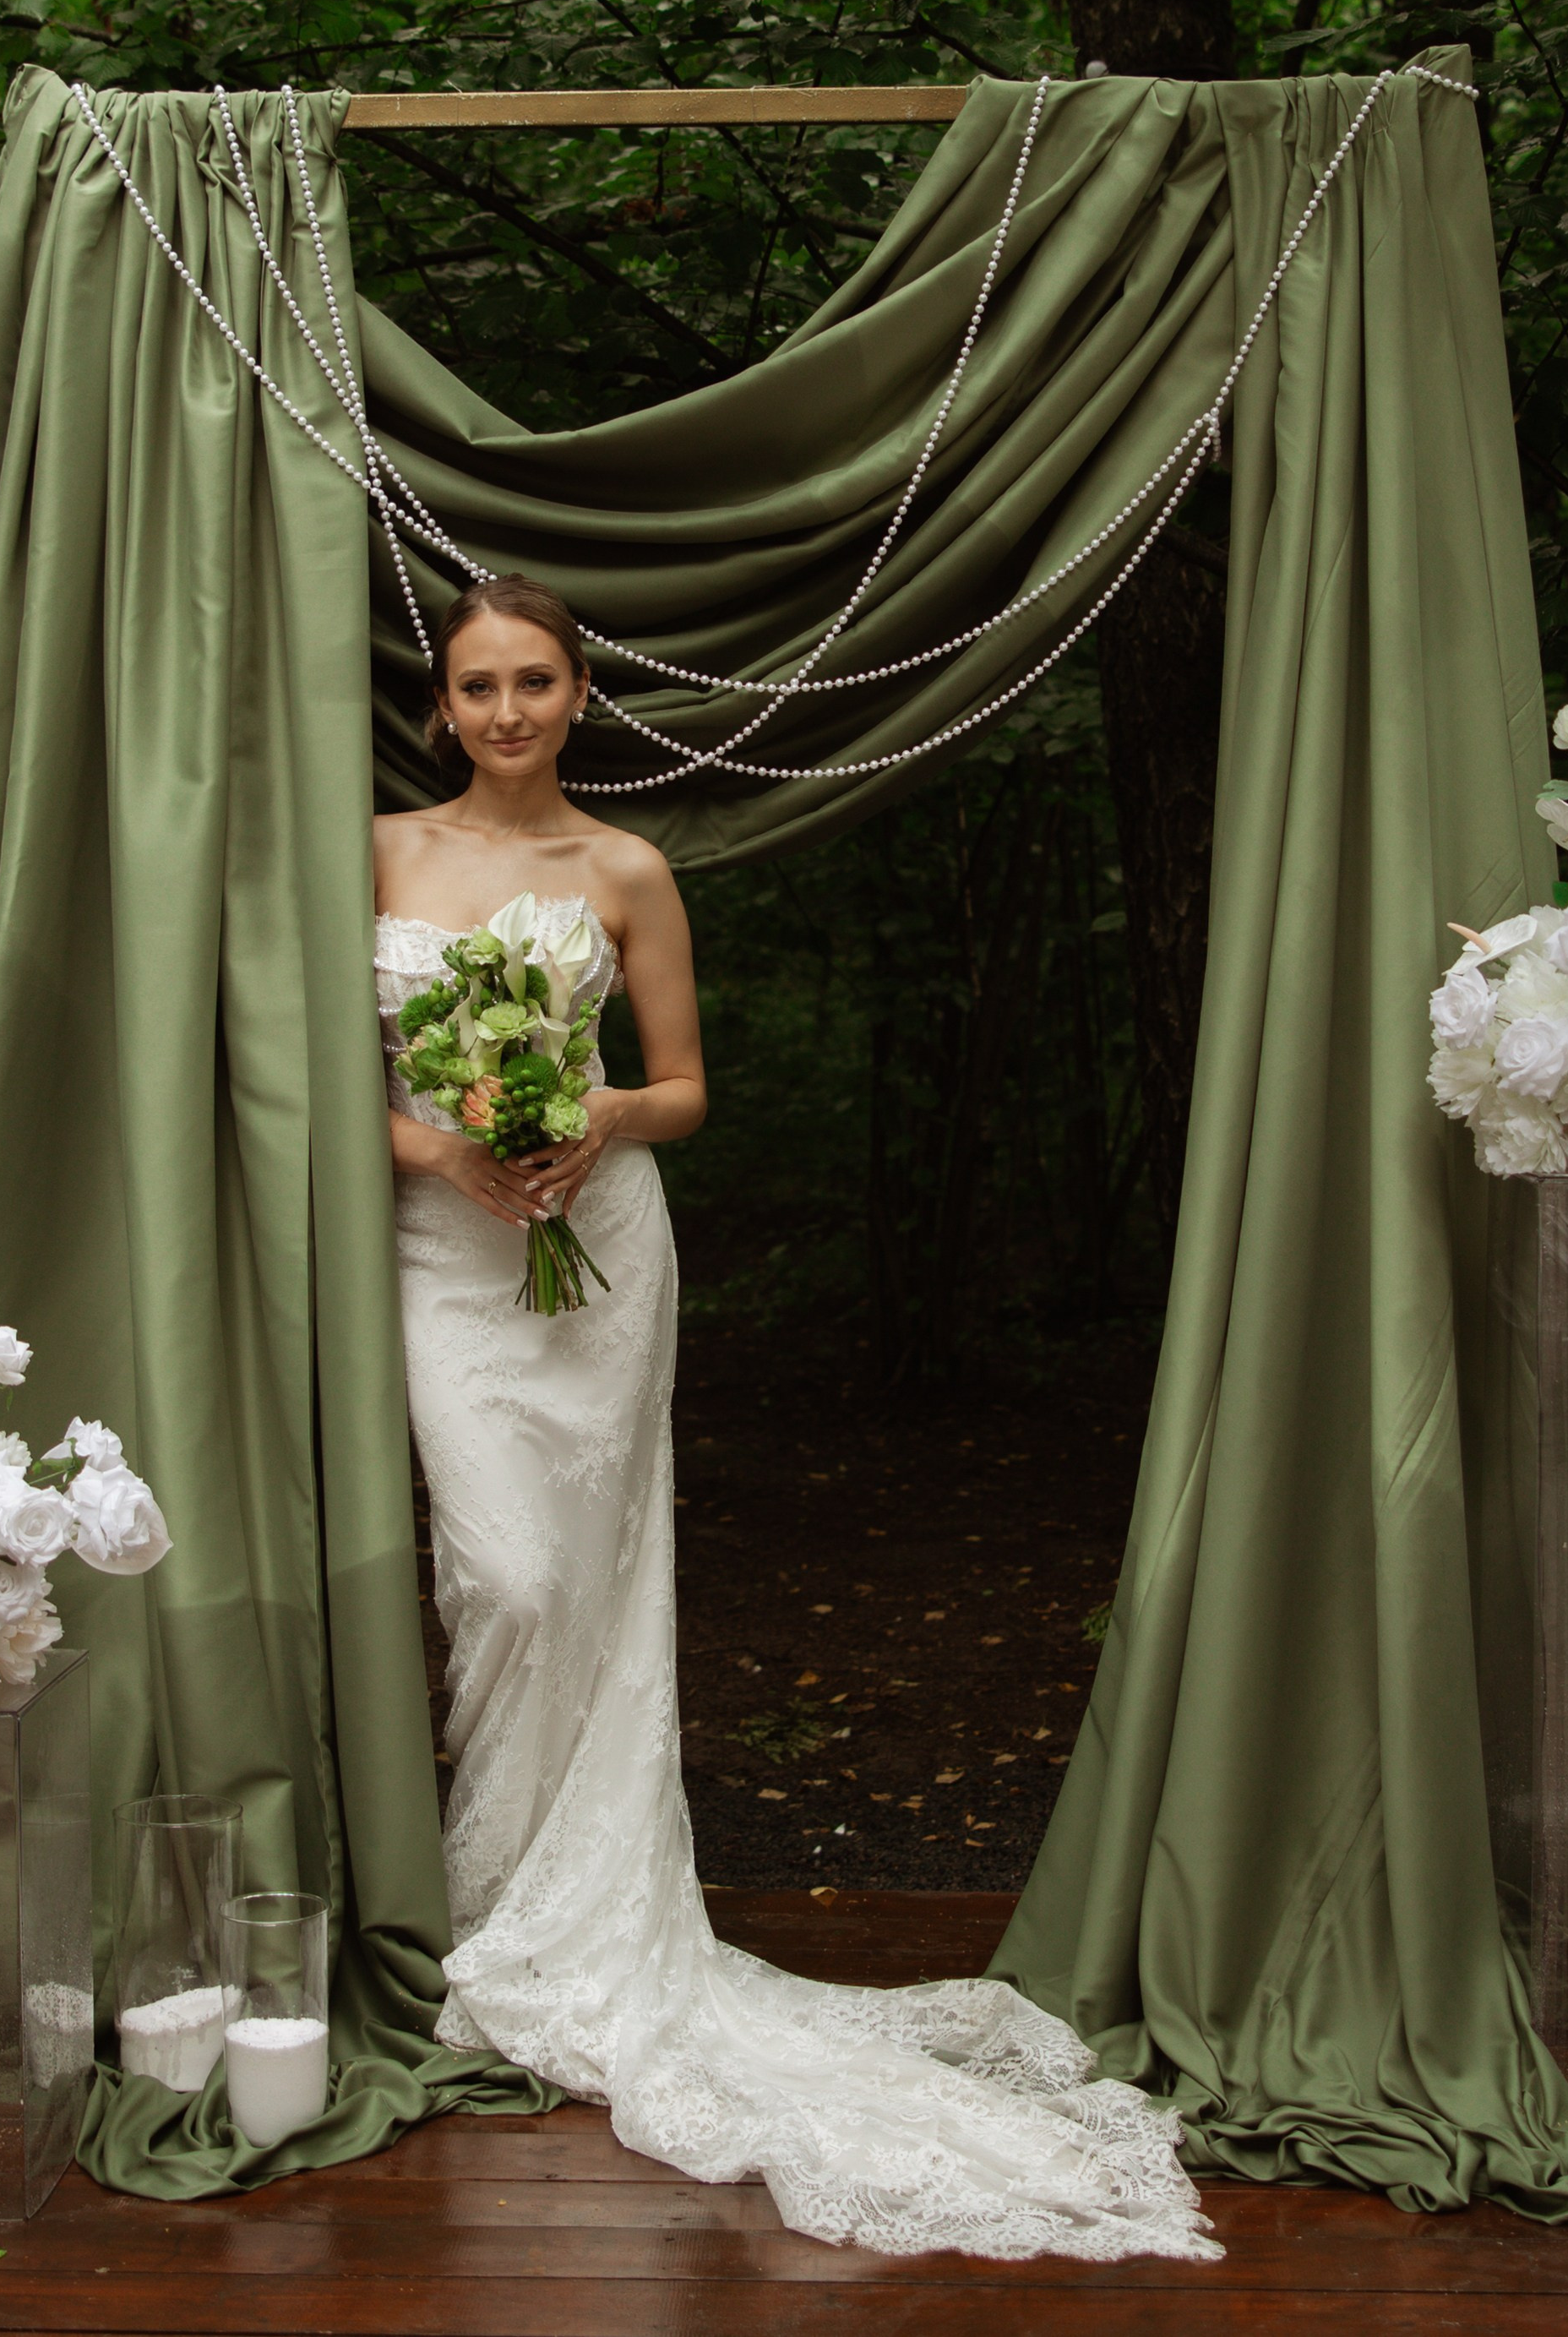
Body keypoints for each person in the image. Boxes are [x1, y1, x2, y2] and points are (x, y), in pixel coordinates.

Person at [372, 574, 1220, 2263]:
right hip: (442, 1254)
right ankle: (489, 1911)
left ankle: (571, 1917)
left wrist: (586, 1114)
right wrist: (447, 1147)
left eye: (536, 682)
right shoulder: (379, 855)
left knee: (586, 1593)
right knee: (502, 1580)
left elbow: (683, 1089)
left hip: (595, 1259)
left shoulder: (624, 872)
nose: (508, 713)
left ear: (581, 695)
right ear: (442, 703)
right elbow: (334, 1078)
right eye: (478, 686)